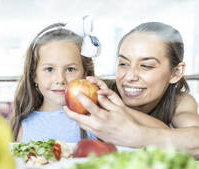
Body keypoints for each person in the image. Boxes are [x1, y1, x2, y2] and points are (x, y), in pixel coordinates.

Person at [65, 22, 199, 158]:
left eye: (146, 66)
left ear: (176, 72)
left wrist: (136, 135)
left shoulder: (180, 102)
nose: (129, 77)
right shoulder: (97, 92)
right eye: (123, 63)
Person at [11, 16, 101, 142]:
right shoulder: (23, 127)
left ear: (85, 73)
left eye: (70, 69)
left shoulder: (97, 119)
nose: (60, 79)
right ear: (34, 75)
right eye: (49, 69)